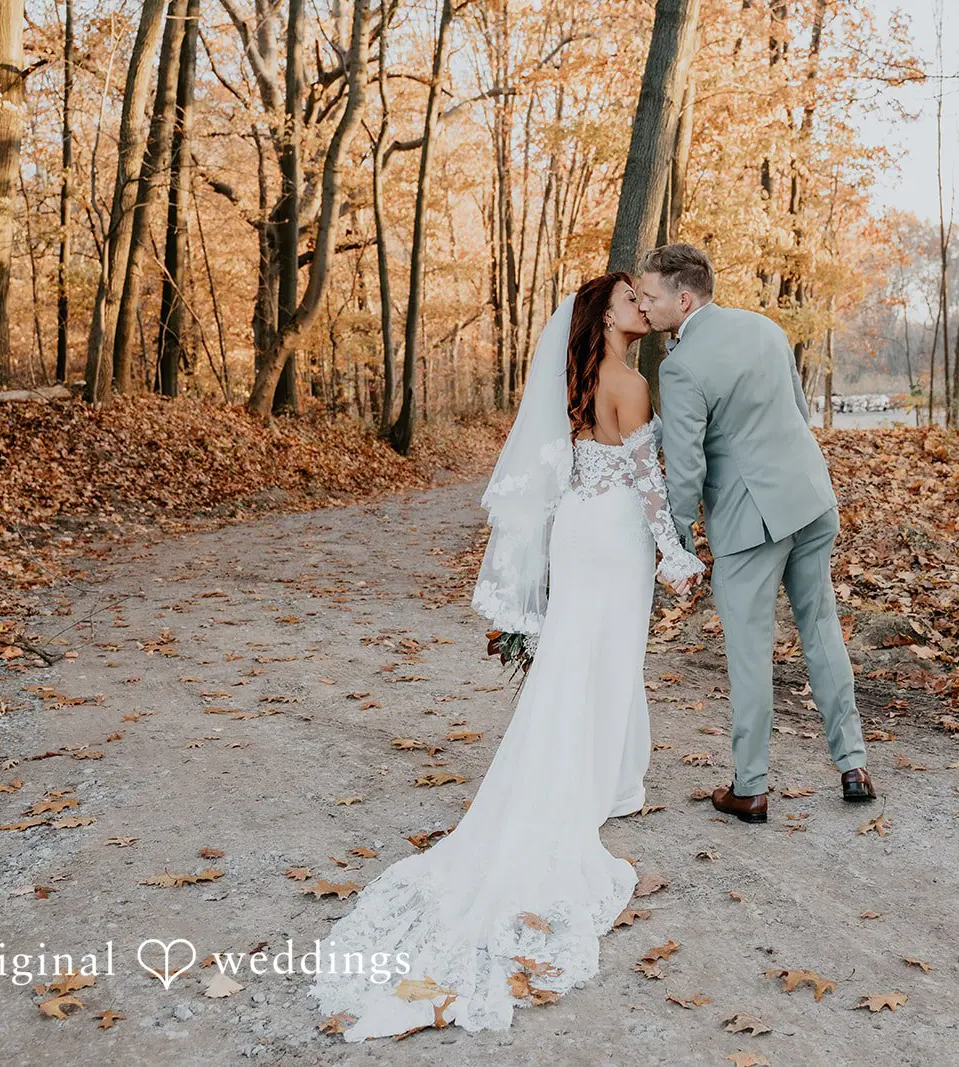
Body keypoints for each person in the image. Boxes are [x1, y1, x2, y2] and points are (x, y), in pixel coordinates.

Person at [310, 272, 703, 1040]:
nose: (639, 307)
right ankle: (594, 786)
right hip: (616, 534)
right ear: (607, 317)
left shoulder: (580, 377)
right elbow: (648, 481)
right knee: (608, 659)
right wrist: (675, 555)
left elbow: (591, 466)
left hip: (577, 530)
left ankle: (595, 778)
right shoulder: (627, 381)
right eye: (627, 301)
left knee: (571, 660)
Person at [637, 242, 874, 825]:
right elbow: (795, 411)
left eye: (651, 296)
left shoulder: (681, 366)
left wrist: (679, 534)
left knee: (748, 651)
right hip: (811, 501)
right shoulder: (766, 329)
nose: (644, 305)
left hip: (751, 520)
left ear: (683, 297)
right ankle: (853, 765)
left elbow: (687, 466)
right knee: (821, 627)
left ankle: (751, 787)